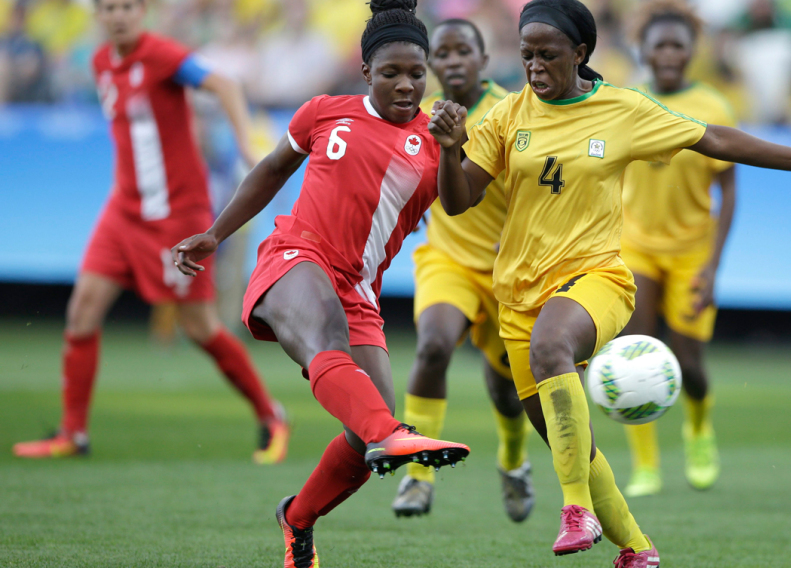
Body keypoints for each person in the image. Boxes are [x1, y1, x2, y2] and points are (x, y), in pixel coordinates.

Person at [428, 0, 791, 563]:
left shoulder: (623, 110)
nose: (534, 67)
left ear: (580, 54)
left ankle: (574, 509)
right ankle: (637, 549)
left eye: (548, 56)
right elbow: (459, 202)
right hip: (517, 293)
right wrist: (450, 149)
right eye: (527, 55)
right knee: (565, 438)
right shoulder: (507, 115)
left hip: (595, 278)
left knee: (553, 346)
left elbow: (716, 140)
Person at [171, 1, 470, 565]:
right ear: (365, 74)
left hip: (359, 289)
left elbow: (456, 205)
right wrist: (215, 233)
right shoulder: (324, 112)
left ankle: (297, 517)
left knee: (362, 441)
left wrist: (454, 147)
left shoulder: (438, 136)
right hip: (296, 256)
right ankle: (393, 431)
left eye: (416, 73)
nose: (405, 84)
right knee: (339, 363)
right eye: (391, 73)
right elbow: (271, 170)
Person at [12, 0, 289, 464]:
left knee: (198, 326)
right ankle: (72, 433)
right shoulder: (101, 61)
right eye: (108, 7)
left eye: (127, 6)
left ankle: (271, 414)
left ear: (142, 11)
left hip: (177, 216)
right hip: (122, 211)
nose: (117, 15)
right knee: (81, 310)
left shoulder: (161, 54)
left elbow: (223, 82)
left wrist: (244, 141)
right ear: (97, 14)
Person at [391, 18, 534, 522]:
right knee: (432, 347)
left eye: (462, 52)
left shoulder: (512, 110)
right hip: (447, 258)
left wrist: (519, 233)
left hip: (506, 269)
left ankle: (513, 463)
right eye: (443, 54)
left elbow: (535, 186)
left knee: (508, 391)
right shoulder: (422, 117)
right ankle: (417, 474)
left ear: (482, 60)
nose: (452, 61)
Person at [619, 0, 737, 497]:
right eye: (659, 45)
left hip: (691, 248)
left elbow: (729, 190)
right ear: (644, 50)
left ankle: (698, 427)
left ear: (691, 51)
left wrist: (713, 266)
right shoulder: (625, 102)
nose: (669, 53)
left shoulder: (713, 106)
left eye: (677, 45)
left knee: (688, 360)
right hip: (637, 245)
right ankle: (645, 465)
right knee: (633, 355)